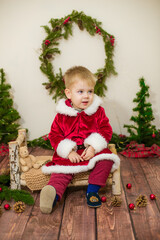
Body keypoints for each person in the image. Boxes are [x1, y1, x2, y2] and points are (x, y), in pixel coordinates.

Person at [40, 66, 120, 214]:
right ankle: (52, 195)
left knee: (106, 159)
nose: (86, 96)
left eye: (90, 91)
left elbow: (105, 130)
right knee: (61, 171)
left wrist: (93, 147)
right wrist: (68, 151)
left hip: (91, 152)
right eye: (80, 92)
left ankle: (93, 190)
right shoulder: (62, 115)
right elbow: (55, 135)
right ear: (68, 93)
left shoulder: (97, 111)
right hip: (71, 155)